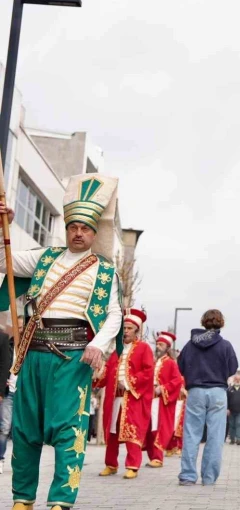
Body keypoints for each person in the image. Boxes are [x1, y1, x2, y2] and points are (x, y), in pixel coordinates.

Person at [0, 175, 122, 510]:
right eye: (73, 227)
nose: (79, 233)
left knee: (70, 431)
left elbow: (114, 315)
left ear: (94, 232)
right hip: (33, 353)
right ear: (66, 229)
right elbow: (3, 261)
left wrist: (98, 344)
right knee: (24, 430)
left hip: (74, 357)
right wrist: (3, 226)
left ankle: (60, 500)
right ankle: (22, 498)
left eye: (85, 228)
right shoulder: (44, 257)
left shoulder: (105, 272)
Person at [177, 309, 238, 486]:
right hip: (218, 391)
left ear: (203, 322)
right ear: (221, 323)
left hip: (196, 390)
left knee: (191, 433)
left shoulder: (190, 344)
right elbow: (233, 367)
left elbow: (180, 366)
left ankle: (188, 475)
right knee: (215, 436)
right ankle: (209, 477)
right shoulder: (225, 345)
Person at [95, 309, 154, 480]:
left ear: (136, 331)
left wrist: (129, 383)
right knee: (112, 431)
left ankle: (133, 465)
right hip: (114, 398)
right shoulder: (116, 352)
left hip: (133, 397)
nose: (126, 331)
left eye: (129, 328)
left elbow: (148, 372)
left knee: (131, 431)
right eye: (124, 328)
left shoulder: (144, 349)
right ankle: (111, 464)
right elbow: (107, 374)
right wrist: (98, 375)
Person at [144, 332, 183, 468]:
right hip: (150, 399)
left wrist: (163, 388)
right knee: (149, 428)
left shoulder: (171, 363)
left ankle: (158, 457)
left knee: (158, 427)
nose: (158, 347)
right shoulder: (154, 362)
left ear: (167, 347)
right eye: (157, 344)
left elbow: (178, 380)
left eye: (161, 344)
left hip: (160, 400)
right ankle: (152, 456)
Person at [0, 315, 19, 474]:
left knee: (22, 431)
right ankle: (0, 458)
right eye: (17, 327)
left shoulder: (33, 349)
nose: (20, 330)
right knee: (5, 428)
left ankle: (21, 462)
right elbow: (4, 364)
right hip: (9, 393)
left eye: (23, 327)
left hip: (25, 394)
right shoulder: (9, 344)